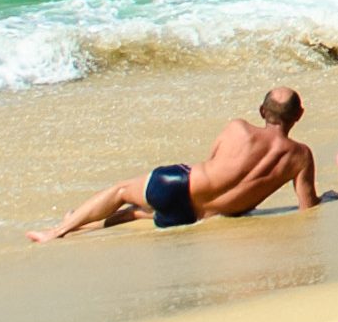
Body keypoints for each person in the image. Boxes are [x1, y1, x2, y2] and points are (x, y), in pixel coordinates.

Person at [30, 88, 319, 240]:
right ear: (299, 115)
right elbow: (307, 207)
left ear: (262, 111)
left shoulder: (238, 128)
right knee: (134, 215)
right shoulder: (300, 156)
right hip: (196, 215)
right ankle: (80, 223)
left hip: (177, 186)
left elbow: (213, 161)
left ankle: (59, 231)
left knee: (120, 191)